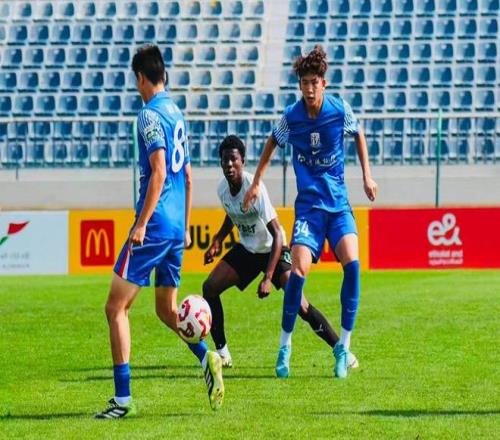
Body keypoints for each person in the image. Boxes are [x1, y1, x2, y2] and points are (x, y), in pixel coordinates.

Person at [95, 45, 223, 419]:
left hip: (154, 226)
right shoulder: (176, 114)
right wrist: (185, 227)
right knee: (167, 310)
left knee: (115, 307)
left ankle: (122, 401)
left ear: (140, 78)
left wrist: (141, 224)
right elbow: (188, 176)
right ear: (163, 74)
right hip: (174, 227)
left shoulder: (149, 115)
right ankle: (207, 357)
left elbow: (160, 171)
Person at [243, 45, 378, 379]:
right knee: (298, 274)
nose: (309, 88)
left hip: (339, 206)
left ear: (323, 83)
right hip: (309, 210)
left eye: (314, 82)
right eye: (304, 82)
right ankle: (285, 346)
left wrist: (367, 175)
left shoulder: (339, 110)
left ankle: (343, 347)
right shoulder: (292, 117)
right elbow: (272, 142)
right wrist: (256, 182)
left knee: (353, 266)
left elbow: (358, 133)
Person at [203, 135, 358, 372]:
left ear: (243, 161)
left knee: (301, 305)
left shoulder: (254, 188)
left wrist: (268, 277)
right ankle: (223, 353)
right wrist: (218, 240)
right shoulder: (222, 189)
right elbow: (232, 214)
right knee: (209, 287)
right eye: (225, 160)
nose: (229, 165)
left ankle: (341, 349)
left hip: (273, 249)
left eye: (234, 159)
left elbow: (276, 234)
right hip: (248, 250)